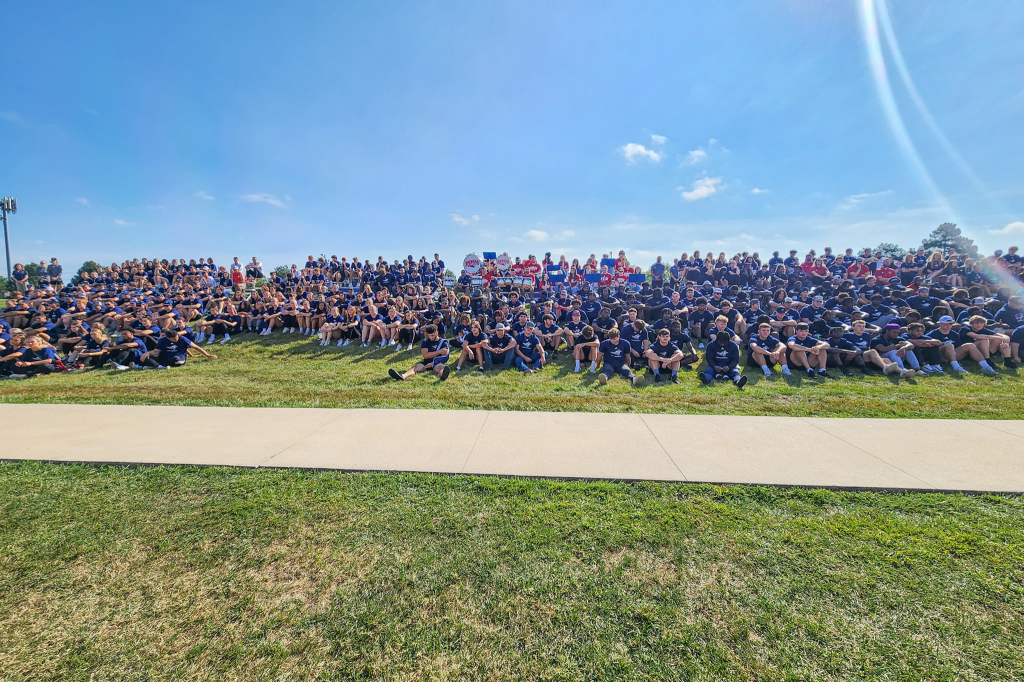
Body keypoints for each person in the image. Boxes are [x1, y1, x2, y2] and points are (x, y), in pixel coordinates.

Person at [152, 328, 216, 368]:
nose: (177, 340)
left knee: (176, 359)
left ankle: (160, 365)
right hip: (167, 357)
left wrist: (208, 355)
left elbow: (196, 347)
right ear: (168, 338)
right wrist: (148, 353)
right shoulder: (162, 340)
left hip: (179, 359)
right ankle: (156, 365)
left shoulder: (182, 339)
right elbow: (156, 351)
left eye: (177, 337)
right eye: (174, 339)